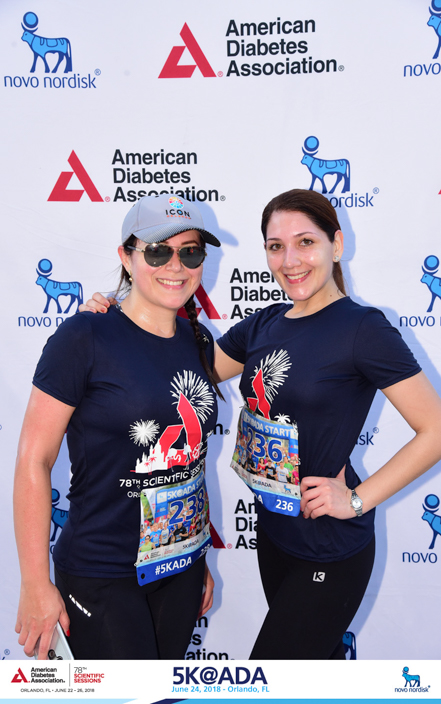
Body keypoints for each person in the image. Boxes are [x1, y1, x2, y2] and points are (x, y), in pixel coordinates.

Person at [82, 188, 441, 660]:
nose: (290, 260)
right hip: (275, 537)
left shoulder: (363, 328)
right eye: (276, 246)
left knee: (269, 681)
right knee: (311, 676)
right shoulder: (265, 324)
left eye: (305, 242)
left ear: (336, 245)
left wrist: (357, 500)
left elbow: (435, 429)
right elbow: (176, 369)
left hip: (329, 546)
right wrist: (115, 323)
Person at [14, 194, 223, 660]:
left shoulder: (198, 339)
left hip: (181, 567)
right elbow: (34, 459)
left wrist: (197, 551)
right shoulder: (83, 337)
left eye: (190, 252)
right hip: (103, 571)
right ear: (126, 258)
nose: (176, 265)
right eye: (157, 251)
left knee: (163, 691)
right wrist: (34, 582)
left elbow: (190, 461)